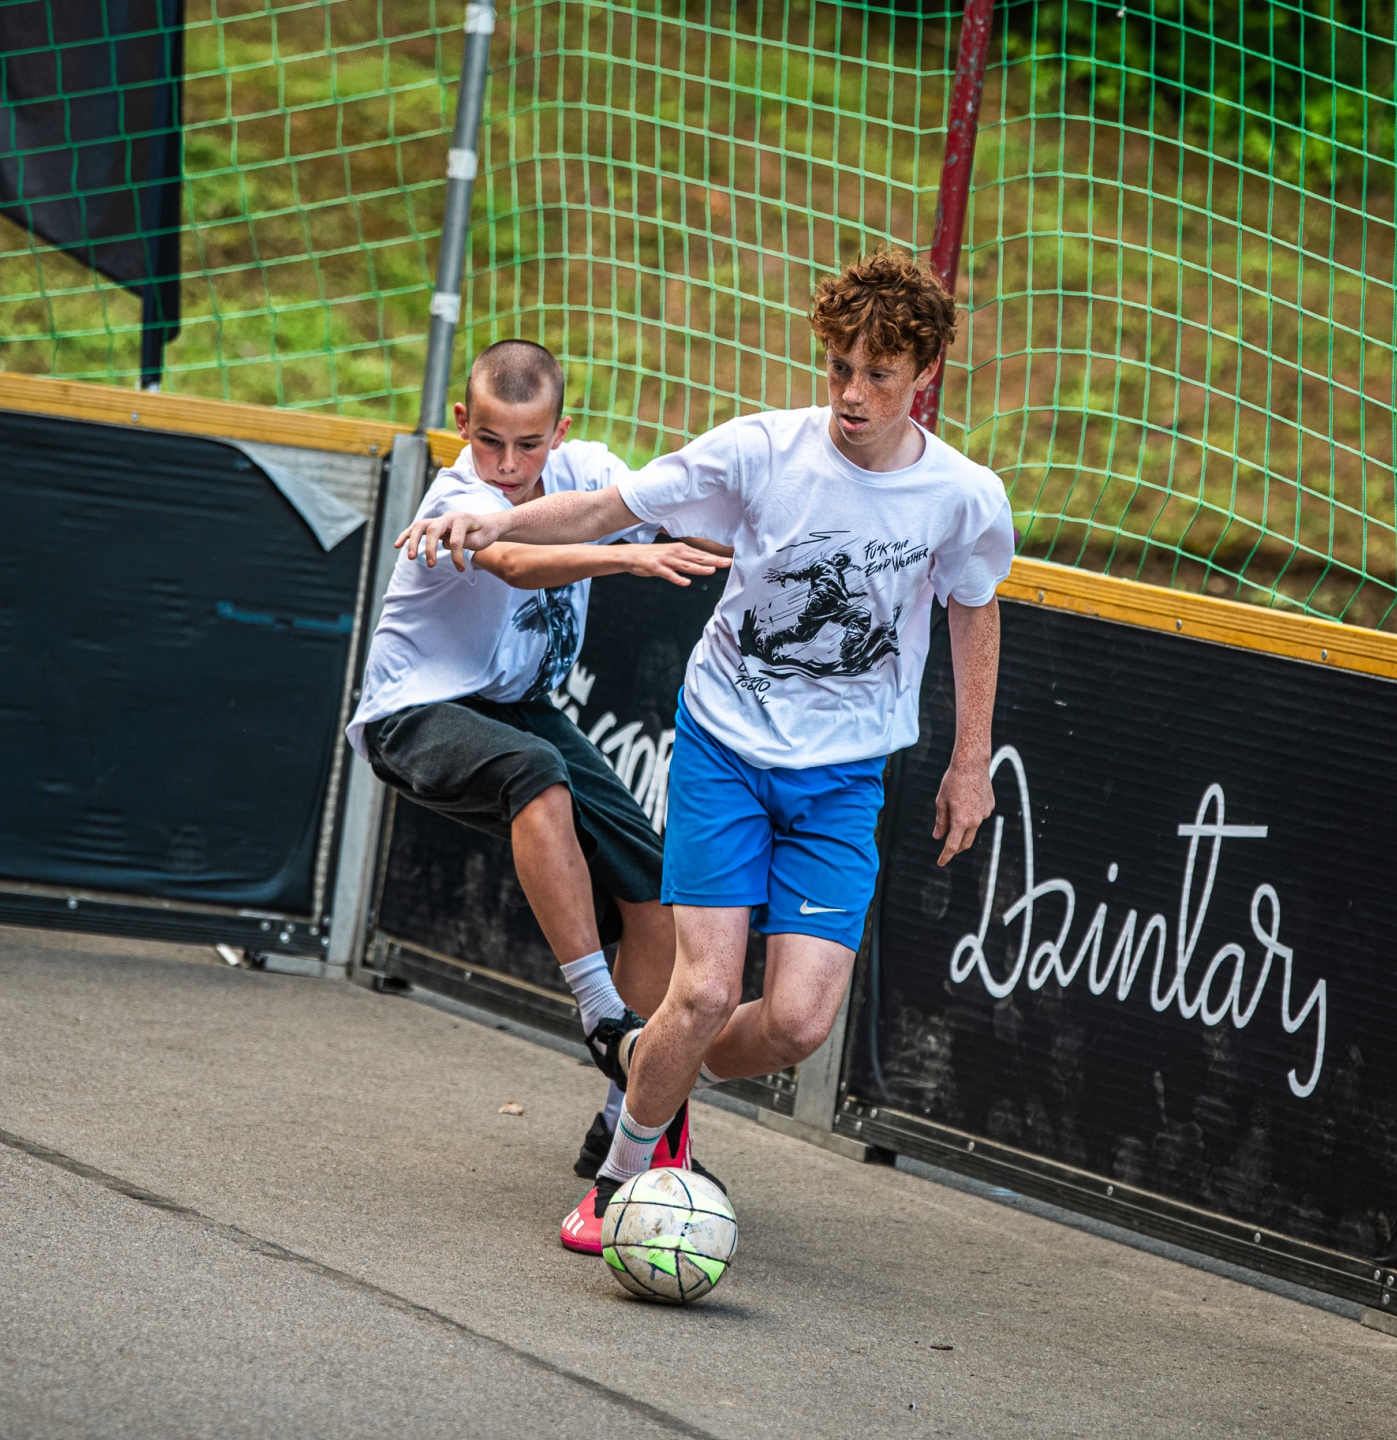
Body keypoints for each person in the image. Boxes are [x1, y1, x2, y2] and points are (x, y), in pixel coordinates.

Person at [399, 251, 1014, 1253]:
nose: (853, 396)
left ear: (925, 374)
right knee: (707, 989)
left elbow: (975, 610)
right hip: (725, 746)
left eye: (879, 376)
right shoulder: (761, 451)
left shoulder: (963, 496)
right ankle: (620, 1177)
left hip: (844, 778)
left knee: (798, 1023)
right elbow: (607, 509)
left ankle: (657, 1060)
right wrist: (492, 518)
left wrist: (969, 760)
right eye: (840, 368)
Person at [345, 340, 731, 1251]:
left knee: (655, 886)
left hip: (519, 706)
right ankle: (602, 1016)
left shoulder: (589, 473)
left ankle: (622, 1118)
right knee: (536, 775)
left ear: (561, 433)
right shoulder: (459, 499)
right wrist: (627, 562)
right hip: (417, 711)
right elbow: (516, 560)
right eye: (490, 441)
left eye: (528, 445)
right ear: (462, 427)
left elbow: (682, 518)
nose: (508, 466)